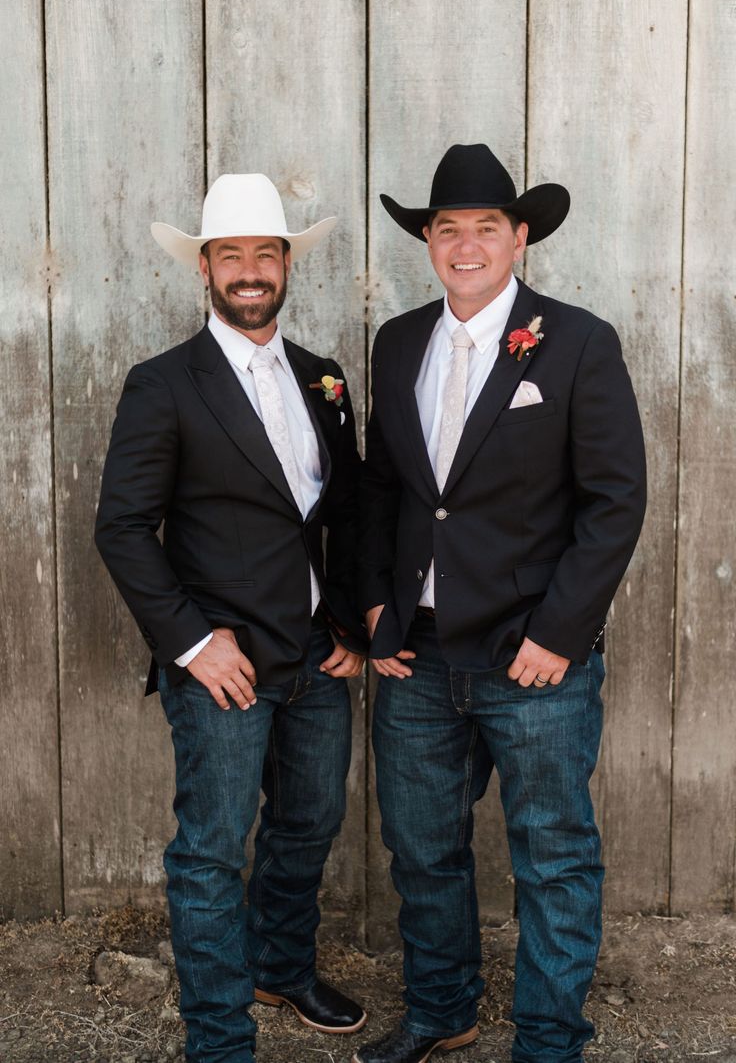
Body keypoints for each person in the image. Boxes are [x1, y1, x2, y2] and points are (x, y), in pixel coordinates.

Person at [354, 144, 647, 1063]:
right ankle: (444, 1011)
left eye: (487, 227)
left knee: (553, 858)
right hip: (419, 655)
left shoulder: (578, 341)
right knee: (422, 852)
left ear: (520, 239)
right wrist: (370, 605)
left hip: (534, 658)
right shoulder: (398, 341)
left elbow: (615, 500)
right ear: (429, 243)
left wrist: (562, 633)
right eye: (449, 229)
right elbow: (381, 488)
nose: (467, 245)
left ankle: (551, 1041)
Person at [95, 173, 368, 1063]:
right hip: (223, 664)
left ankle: (280, 965)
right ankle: (220, 1039)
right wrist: (191, 642)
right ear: (205, 268)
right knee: (212, 855)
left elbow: (349, 514)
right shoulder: (164, 384)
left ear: (287, 264)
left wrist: (353, 631)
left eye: (265, 253)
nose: (249, 271)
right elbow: (123, 527)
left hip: (315, 660)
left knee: (309, 825)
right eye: (230, 256)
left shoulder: (322, 377)